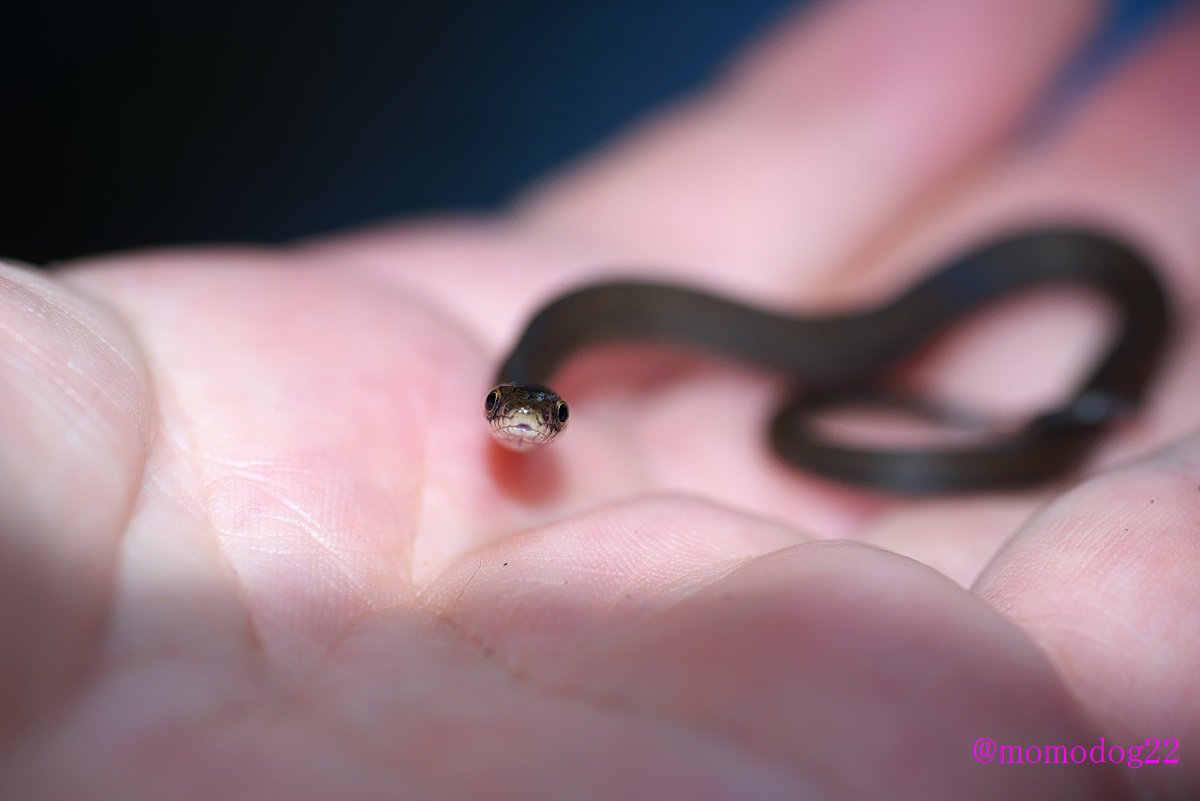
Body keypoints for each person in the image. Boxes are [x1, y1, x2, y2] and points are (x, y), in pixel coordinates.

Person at [0, 1, 1195, 798]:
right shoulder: (532, 370)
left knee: (880, 342)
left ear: (552, 413)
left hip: (959, 344)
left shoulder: (555, 366)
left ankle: (1098, 393)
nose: (522, 433)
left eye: (535, 421)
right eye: (518, 419)